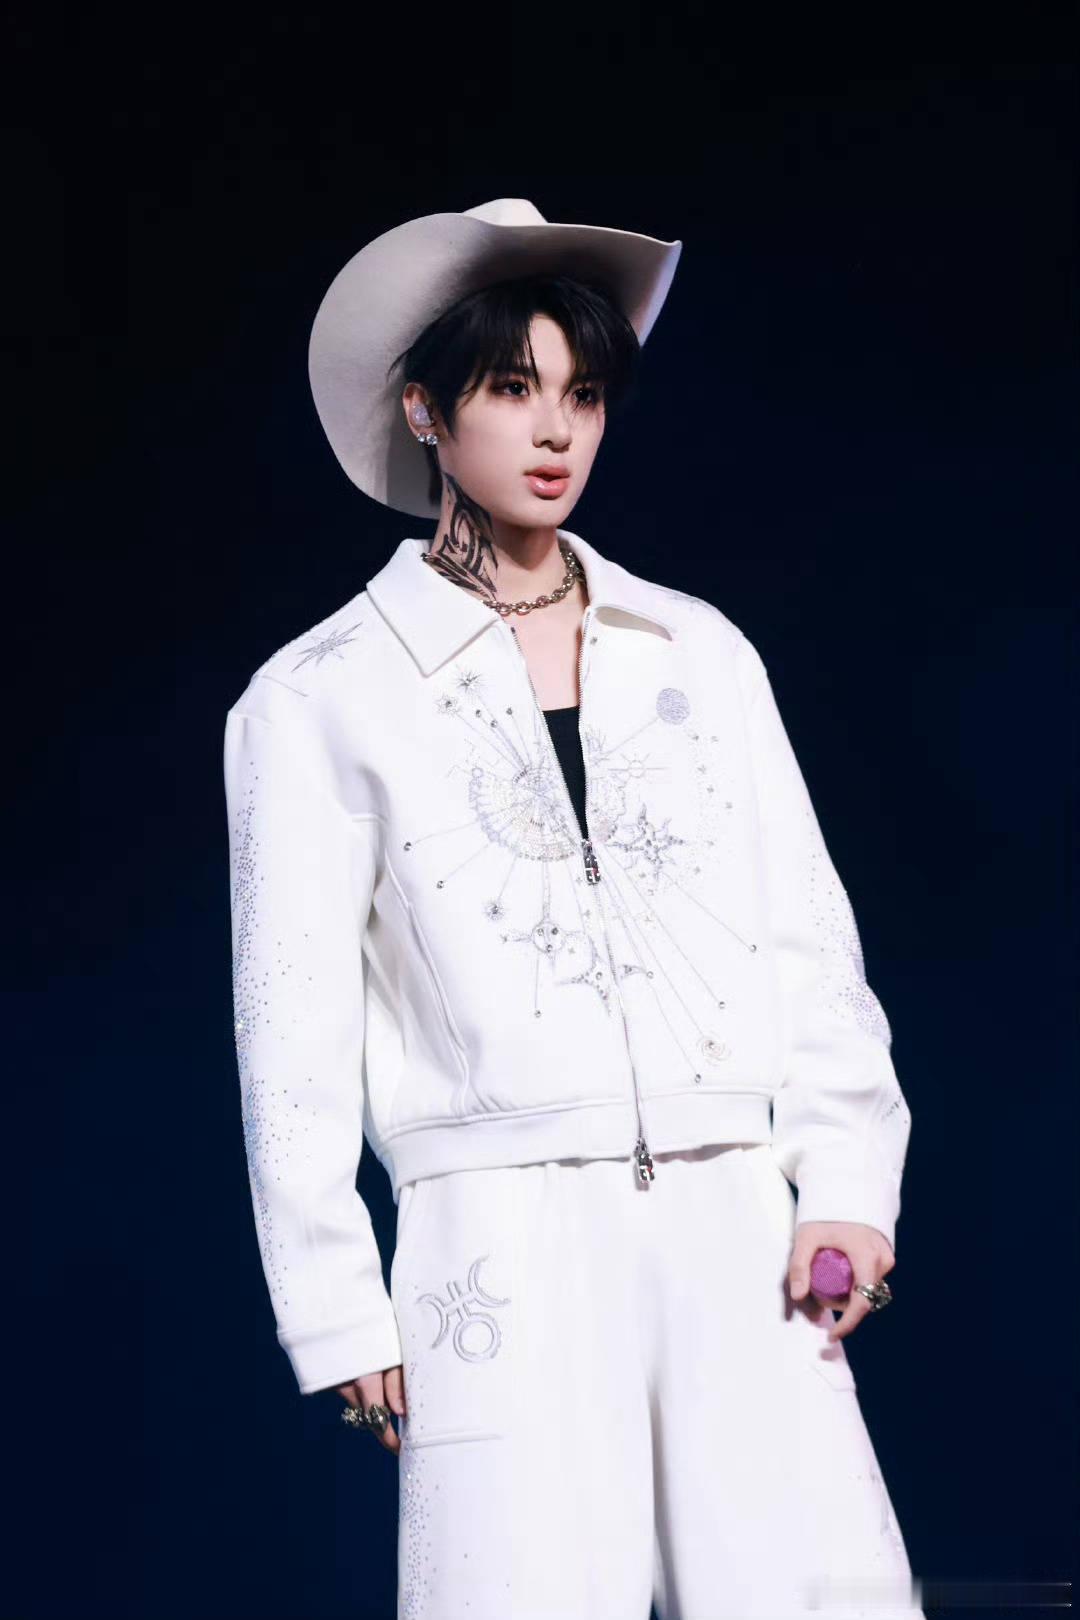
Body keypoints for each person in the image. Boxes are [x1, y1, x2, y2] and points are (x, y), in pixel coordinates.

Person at [224, 198, 924, 1618]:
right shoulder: (318, 699)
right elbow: (289, 1030)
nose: (556, 431)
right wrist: (337, 1306)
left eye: (585, 393)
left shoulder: (699, 653)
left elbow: (806, 935)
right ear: (425, 411)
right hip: (498, 1240)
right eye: (510, 388)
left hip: (736, 1217)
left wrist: (848, 1185)